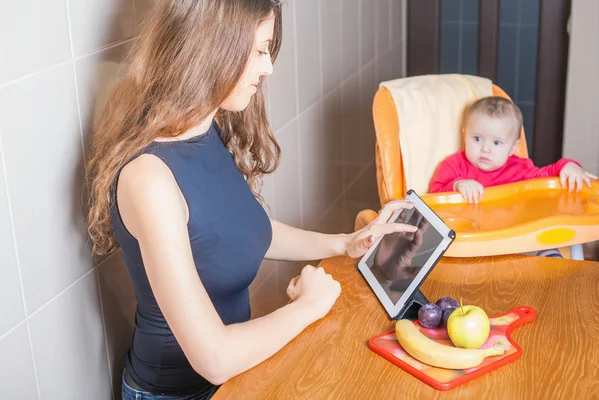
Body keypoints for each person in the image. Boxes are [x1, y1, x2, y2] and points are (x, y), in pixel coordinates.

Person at [85, 1, 418, 399]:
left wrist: (344, 243)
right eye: (260, 50)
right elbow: (214, 357)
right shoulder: (148, 179)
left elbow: (241, 231)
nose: (269, 67)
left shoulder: (207, 128)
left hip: (234, 380)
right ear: (212, 46)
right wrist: (307, 307)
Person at [429, 96, 597, 258]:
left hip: (514, 240)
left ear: (513, 147)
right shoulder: (454, 165)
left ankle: (547, 256)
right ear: (465, 135)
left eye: (496, 143)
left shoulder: (520, 169)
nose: (485, 149)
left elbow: (546, 177)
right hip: (472, 242)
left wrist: (568, 166)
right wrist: (457, 185)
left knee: (541, 236)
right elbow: (434, 198)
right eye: (477, 138)